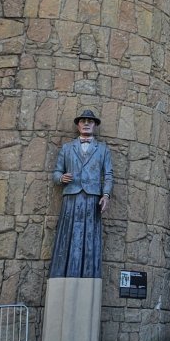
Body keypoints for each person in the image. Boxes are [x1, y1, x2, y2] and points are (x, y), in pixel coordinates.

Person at [50, 109, 113, 279]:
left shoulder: (103, 149)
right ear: (78, 125)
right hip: (71, 197)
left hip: (92, 200)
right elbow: (56, 173)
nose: (86, 123)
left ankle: (88, 274)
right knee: (67, 237)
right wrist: (61, 177)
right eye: (83, 121)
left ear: (95, 125)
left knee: (90, 239)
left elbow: (108, 175)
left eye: (90, 121)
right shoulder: (67, 148)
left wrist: (105, 195)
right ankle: (64, 274)